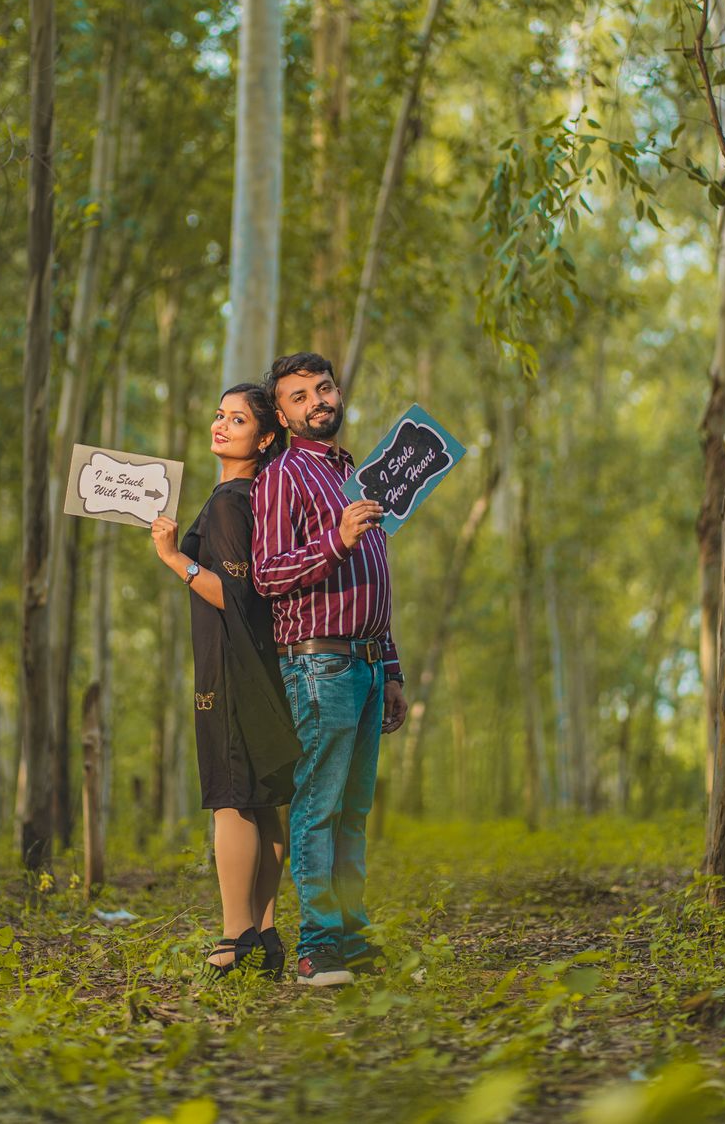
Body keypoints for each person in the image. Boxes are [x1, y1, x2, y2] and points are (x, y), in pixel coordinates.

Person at [251, 353, 408, 987]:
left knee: (352, 812)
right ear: (284, 416)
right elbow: (267, 575)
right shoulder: (282, 476)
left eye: (323, 388)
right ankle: (317, 948)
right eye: (298, 396)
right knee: (318, 807)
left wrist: (391, 668)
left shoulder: (357, 478)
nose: (317, 400)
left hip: (367, 667)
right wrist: (336, 538)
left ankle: (351, 935)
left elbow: (377, 581)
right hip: (318, 664)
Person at [151, 383, 300, 980]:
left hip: (232, 665)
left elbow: (235, 595)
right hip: (257, 662)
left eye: (237, 420)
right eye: (218, 415)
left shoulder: (234, 500)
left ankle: (233, 939)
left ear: (264, 438)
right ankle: (264, 934)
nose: (220, 425)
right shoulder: (251, 496)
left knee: (232, 798)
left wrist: (174, 559)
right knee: (262, 801)